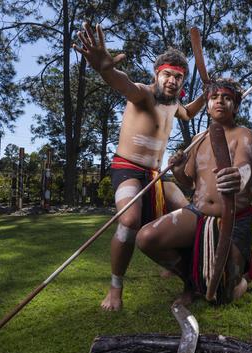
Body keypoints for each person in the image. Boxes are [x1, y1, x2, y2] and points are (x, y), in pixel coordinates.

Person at [73, 23, 206, 311]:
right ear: (156, 75)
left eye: (179, 77)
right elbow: (121, 82)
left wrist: (209, 95)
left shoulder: (174, 106)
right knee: (130, 220)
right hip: (128, 169)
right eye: (168, 75)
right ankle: (115, 289)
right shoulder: (143, 94)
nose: (172, 81)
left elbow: (190, 111)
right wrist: (105, 69)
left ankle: (180, 266)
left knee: (188, 212)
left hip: (157, 176)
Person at [136, 78, 252, 305]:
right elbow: (188, 182)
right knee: (146, 237)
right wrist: (179, 167)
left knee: (222, 295)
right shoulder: (197, 139)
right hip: (197, 213)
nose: (220, 101)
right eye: (214, 97)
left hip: (233, 217)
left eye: (227, 98)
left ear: (236, 106)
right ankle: (191, 282)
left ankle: (240, 279)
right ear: (208, 104)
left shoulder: (244, 135)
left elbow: (246, 167)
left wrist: (237, 177)